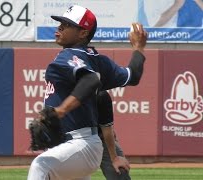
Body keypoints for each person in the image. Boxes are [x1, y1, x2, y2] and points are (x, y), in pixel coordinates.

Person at [27, 5, 147, 180]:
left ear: (83, 33)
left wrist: (61, 111)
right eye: (60, 22)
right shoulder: (99, 60)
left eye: (67, 25)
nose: (59, 27)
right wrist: (138, 48)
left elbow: (91, 81)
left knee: (41, 165)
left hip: (80, 144)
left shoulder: (68, 55)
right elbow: (133, 75)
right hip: (78, 147)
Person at [97, 91, 131, 180]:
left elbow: (107, 130)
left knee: (120, 172)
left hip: (102, 139)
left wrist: (115, 158)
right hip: (74, 141)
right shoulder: (62, 92)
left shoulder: (101, 95)